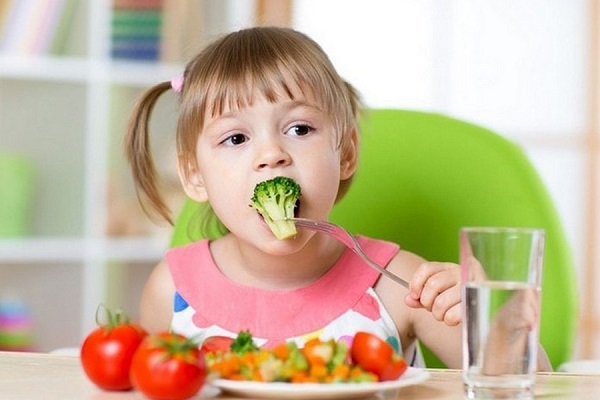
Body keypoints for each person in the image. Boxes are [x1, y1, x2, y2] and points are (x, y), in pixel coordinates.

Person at [125, 26, 548, 370]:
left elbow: (522, 386)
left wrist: (495, 320)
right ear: (194, 176)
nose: (272, 155)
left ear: (345, 153)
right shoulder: (171, 289)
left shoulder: (398, 284)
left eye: (300, 130)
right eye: (236, 138)